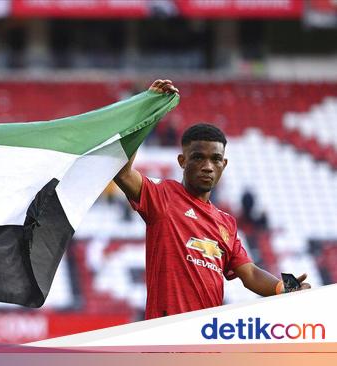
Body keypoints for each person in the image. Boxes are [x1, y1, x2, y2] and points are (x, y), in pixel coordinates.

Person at [113, 79, 311, 319]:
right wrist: (143, 110)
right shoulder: (162, 196)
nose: (208, 166)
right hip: (166, 339)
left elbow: (248, 273)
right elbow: (122, 172)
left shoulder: (225, 222)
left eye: (215, 159)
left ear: (224, 164)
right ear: (182, 161)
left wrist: (283, 288)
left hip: (206, 338)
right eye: (198, 157)